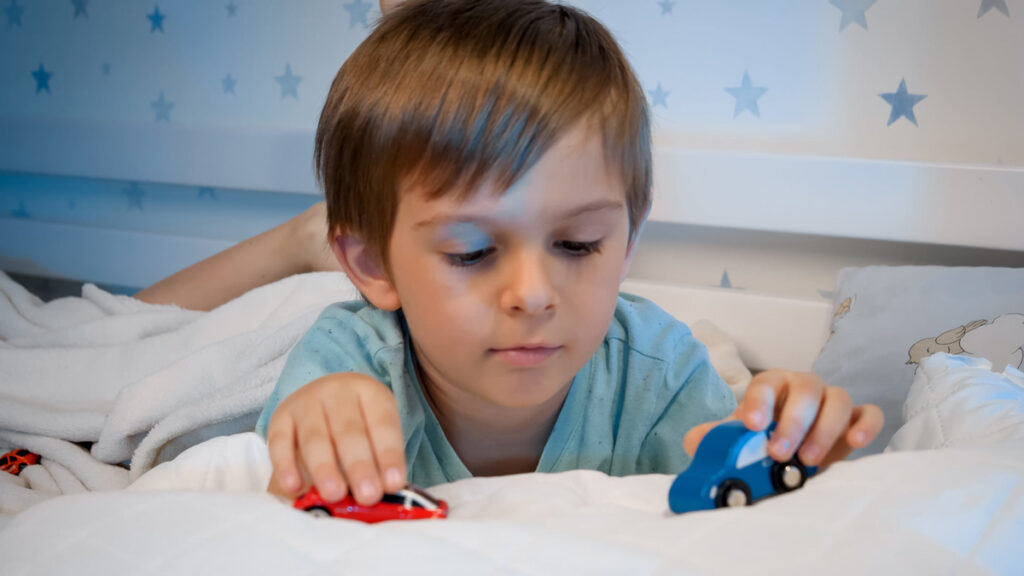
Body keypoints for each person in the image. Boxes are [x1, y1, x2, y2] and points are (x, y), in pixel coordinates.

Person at [139, 0, 883, 508]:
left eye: (578, 243)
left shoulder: (658, 372)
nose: (533, 292)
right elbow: (276, 500)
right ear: (371, 266)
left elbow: (740, 493)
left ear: (628, 239)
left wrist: (794, 445)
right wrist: (315, 425)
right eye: (470, 251)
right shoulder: (350, 359)